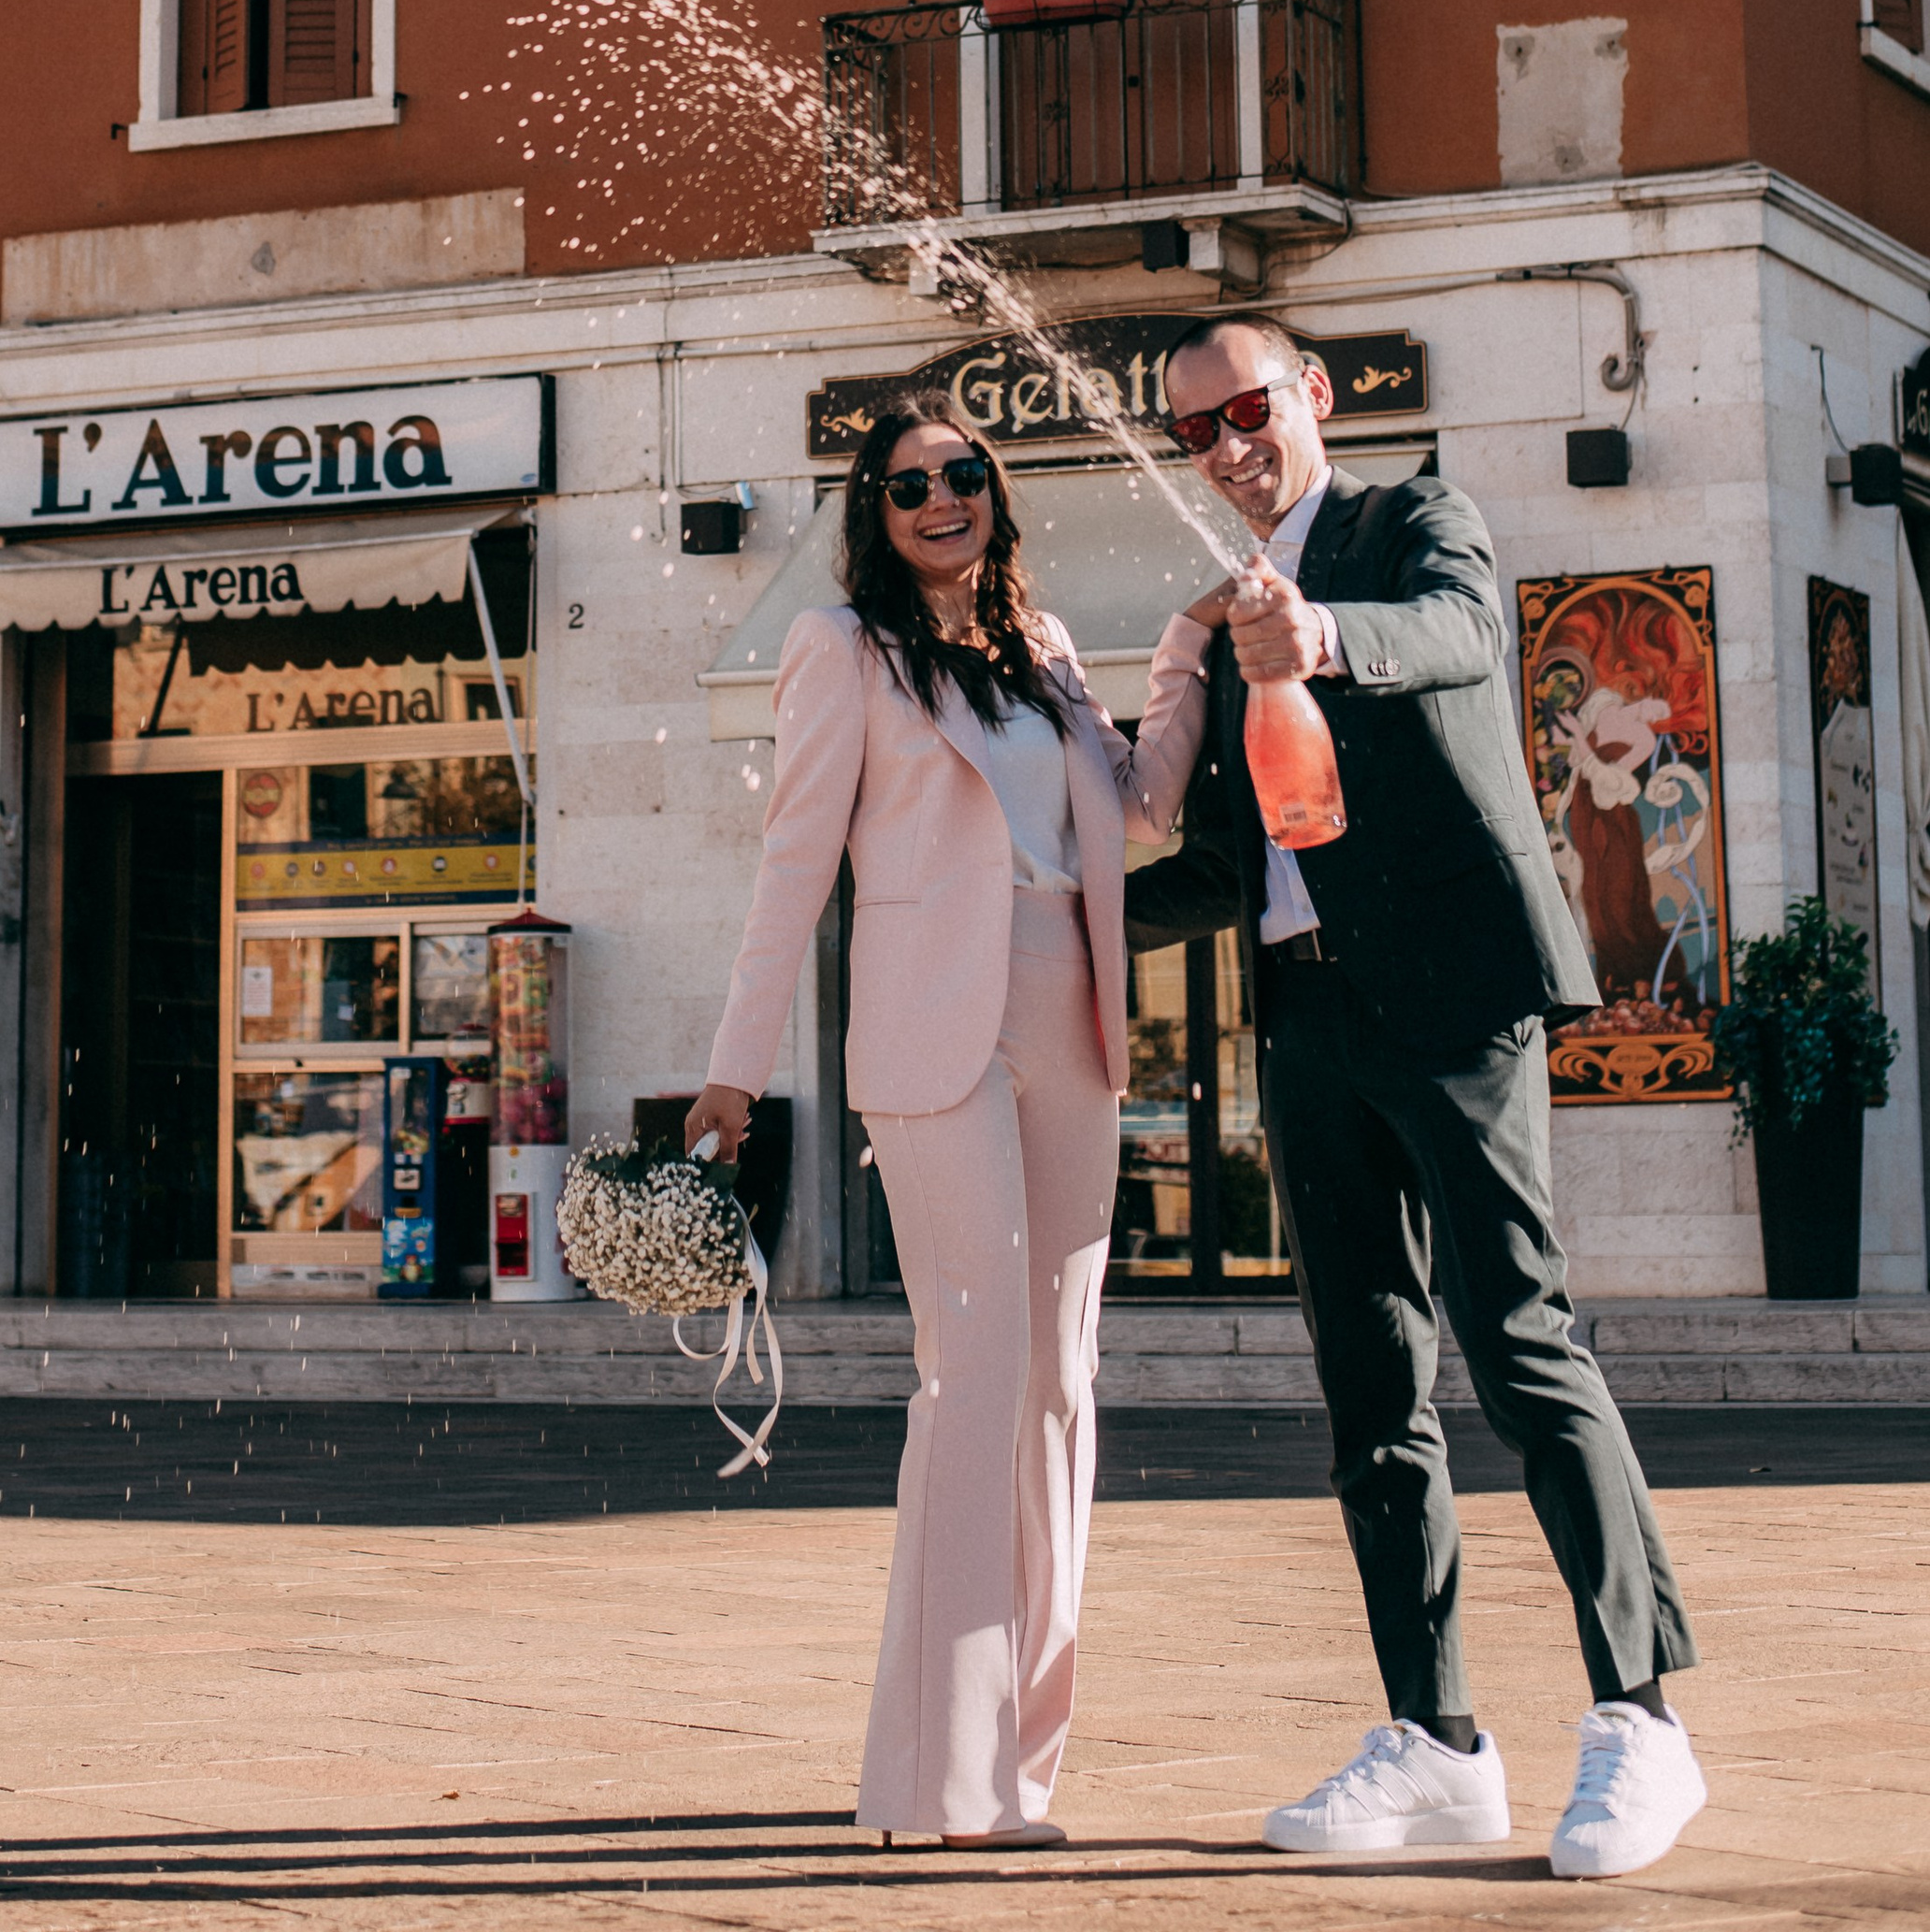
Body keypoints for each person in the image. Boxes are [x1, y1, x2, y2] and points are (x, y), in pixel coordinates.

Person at [1126, 315, 1707, 1882]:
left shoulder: (1409, 524)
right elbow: (1214, 864)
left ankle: (1643, 1717)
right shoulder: (1227, 607)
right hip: (1307, 1012)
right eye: (1196, 431)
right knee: (1370, 1383)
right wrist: (1034, 911)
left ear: (1313, 395)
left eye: (1249, 408)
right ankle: (1436, 1740)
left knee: (1520, 1340)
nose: (1229, 445)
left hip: (1453, 998)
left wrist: (1314, 636)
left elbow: (1457, 632)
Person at [685, 398, 1206, 1847]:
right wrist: (732, 1068)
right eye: (908, 482)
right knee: (972, 1373)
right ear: (876, 507)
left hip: (1069, 1019)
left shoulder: (1042, 656)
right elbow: (794, 865)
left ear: (995, 489)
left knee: (1058, 1388)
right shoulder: (841, 652)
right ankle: (937, 1779)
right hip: (932, 1033)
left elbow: (1140, 806)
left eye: (962, 473)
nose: (938, 497)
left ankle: (1024, 1766)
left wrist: (1188, 654)